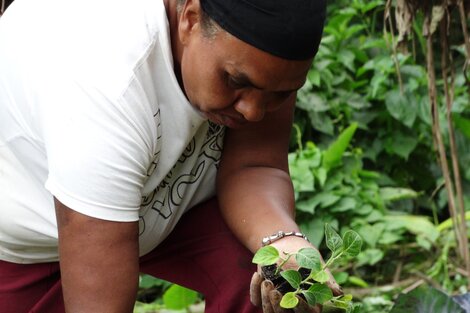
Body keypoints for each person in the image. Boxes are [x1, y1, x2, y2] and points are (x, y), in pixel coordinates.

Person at [0, 0, 340, 312]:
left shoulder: (261, 53)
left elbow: (256, 164)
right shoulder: (105, 79)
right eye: (235, 81)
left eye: (279, 94)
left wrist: (284, 241)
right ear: (190, 18)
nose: (253, 112)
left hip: (176, 201)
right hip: (36, 238)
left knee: (269, 274)